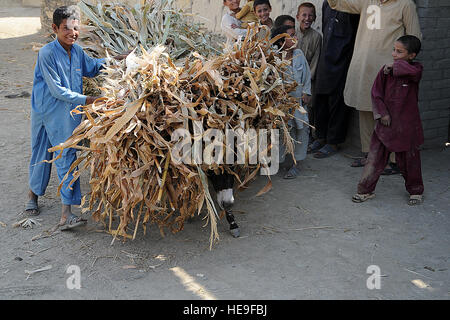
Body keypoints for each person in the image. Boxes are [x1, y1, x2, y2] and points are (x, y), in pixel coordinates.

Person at [25, 6, 128, 229]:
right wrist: (91, 100)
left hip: (67, 110)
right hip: (47, 108)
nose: (72, 33)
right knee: (41, 152)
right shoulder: (47, 54)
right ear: (54, 28)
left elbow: (92, 67)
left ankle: (66, 214)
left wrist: (119, 59)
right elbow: (57, 91)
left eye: (75, 28)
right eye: (66, 29)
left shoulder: (77, 51)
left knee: (66, 155)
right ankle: (33, 197)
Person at [327, 0, 422, 169]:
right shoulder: (367, 1)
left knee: (391, 114)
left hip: (389, 71)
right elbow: (337, 4)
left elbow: (414, 37)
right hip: (364, 66)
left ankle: (394, 161)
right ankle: (371, 155)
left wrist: (401, 66)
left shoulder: (405, 4)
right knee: (365, 108)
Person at [352, 35, 424, 206]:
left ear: (412, 56)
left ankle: (415, 191)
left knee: (410, 161)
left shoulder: (416, 70)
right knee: (374, 159)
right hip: (385, 126)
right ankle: (365, 190)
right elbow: (376, 93)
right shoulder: (386, 72)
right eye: (394, 50)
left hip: (407, 127)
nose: (394, 54)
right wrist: (382, 113)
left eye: (399, 52)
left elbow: (411, 72)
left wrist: (395, 66)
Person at [309, 0, 359, 158]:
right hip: (327, 55)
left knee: (338, 102)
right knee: (321, 99)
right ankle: (321, 136)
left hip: (343, 58)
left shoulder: (354, 4)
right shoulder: (327, 3)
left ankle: (333, 141)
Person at [271, 25, 312, 179]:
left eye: (295, 35)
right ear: (281, 39)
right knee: (283, 131)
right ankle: (282, 161)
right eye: (291, 36)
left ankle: (297, 163)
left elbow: (306, 75)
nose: (295, 39)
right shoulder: (274, 57)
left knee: (301, 130)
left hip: (299, 102)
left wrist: (306, 92)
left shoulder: (299, 54)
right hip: (281, 104)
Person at [295, 2, 322, 138]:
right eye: (304, 15)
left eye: (310, 15)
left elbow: (316, 61)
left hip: (308, 80)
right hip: (292, 78)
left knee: (308, 108)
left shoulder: (317, 37)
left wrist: (307, 85)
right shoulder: (292, 34)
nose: (307, 18)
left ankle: (309, 136)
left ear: (315, 18)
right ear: (297, 17)